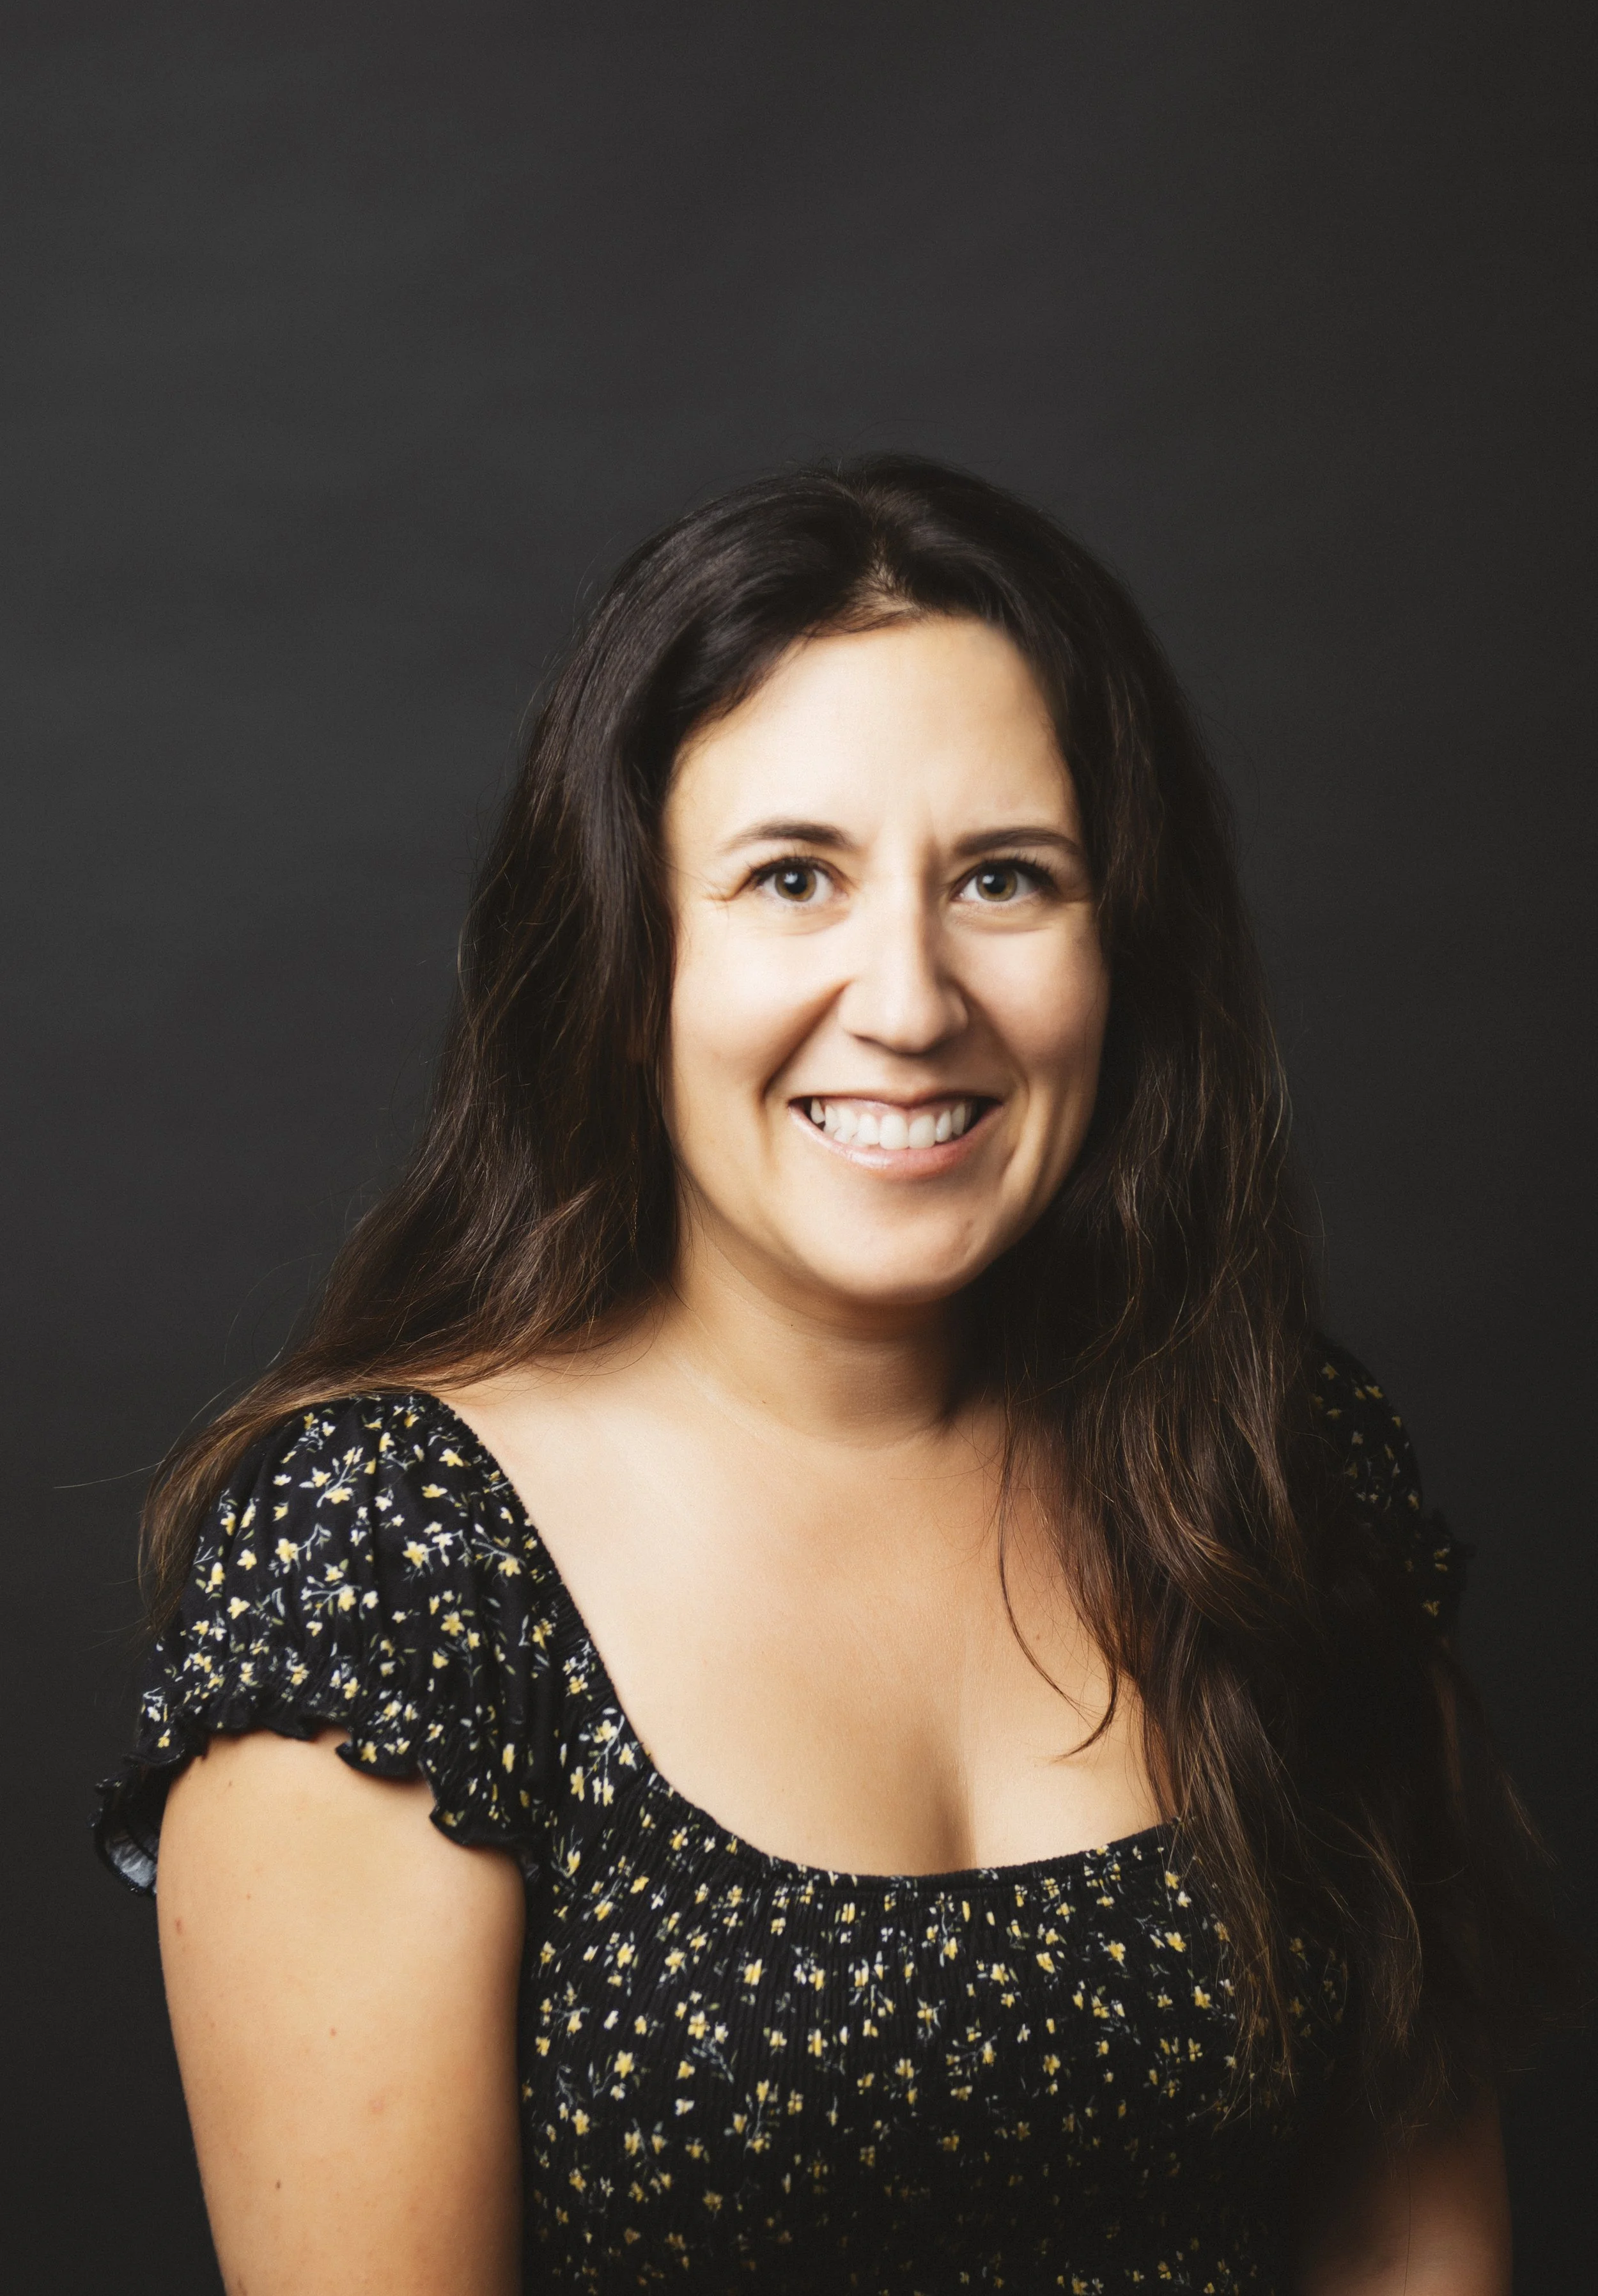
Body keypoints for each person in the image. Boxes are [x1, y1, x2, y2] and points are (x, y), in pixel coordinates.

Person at [97, 458, 1551, 2294]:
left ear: (1124, 953)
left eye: (1004, 881)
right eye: (793, 878)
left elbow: (1418, 2254)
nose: (909, 997)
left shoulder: (1268, 1465)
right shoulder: (387, 1566)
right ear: (631, 960)